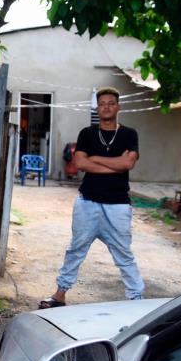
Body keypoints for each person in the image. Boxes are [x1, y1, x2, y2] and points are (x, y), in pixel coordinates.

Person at [39, 87, 144, 309]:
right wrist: (114, 164)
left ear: (118, 107)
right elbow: (79, 164)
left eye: (111, 103)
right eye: (102, 103)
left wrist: (95, 159)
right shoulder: (87, 133)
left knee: (124, 253)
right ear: (97, 107)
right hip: (87, 202)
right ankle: (59, 296)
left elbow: (128, 164)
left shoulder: (128, 134)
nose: (106, 107)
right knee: (76, 249)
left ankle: (137, 300)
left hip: (118, 205)